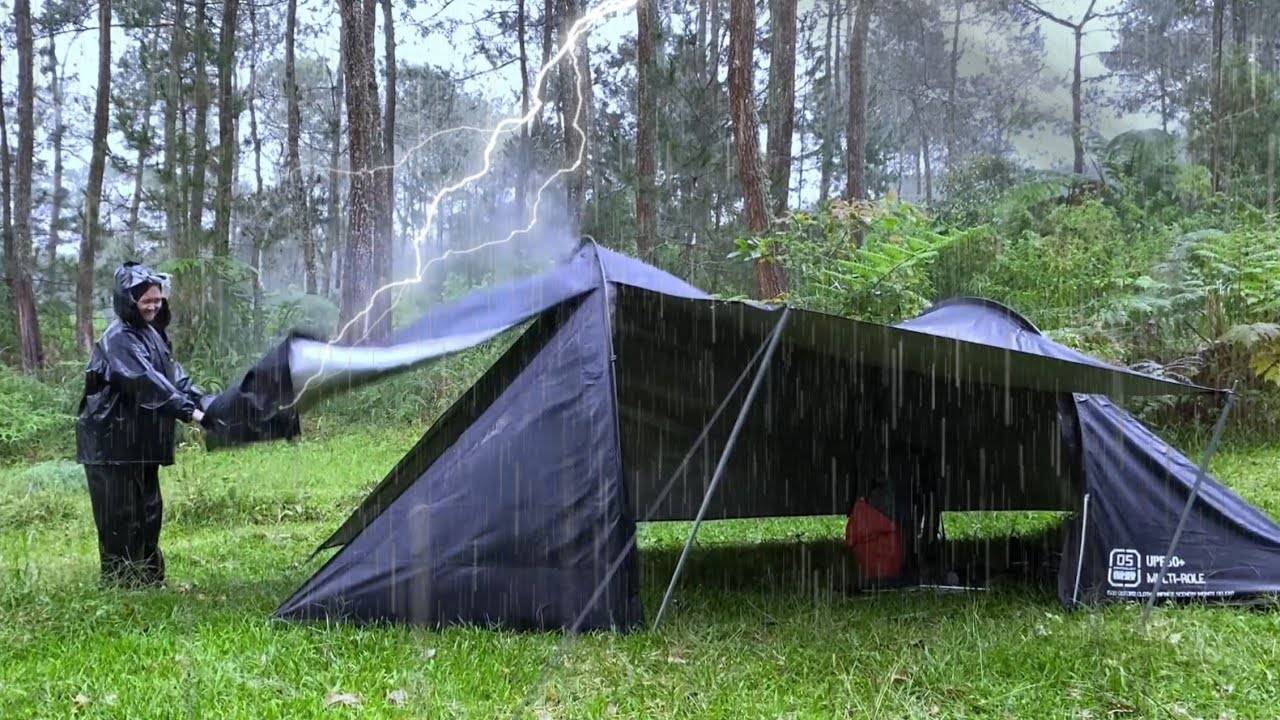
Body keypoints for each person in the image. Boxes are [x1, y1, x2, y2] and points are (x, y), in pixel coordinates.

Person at [75, 262, 208, 588]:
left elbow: (173, 377)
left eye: (157, 300)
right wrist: (190, 412)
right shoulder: (118, 339)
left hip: (138, 442)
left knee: (148, 512)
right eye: (146, 300)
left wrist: (206, 402)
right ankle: (122, 584)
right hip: (111, 444)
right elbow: (146, 382)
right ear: (128, 300)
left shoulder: (152, 334)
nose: (153, 306)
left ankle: (149, 579)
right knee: (121, 517)